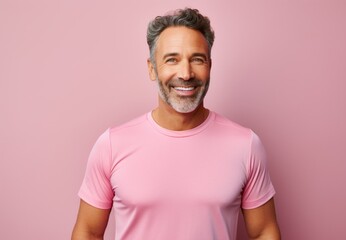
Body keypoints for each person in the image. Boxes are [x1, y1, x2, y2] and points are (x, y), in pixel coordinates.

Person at [72, 8, 281, 240]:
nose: (186, 73)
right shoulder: (111, 145)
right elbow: (88, 232)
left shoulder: (246, 145)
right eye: (172, 59)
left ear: (209, 66)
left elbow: (264, 232)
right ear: (152, 68)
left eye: (197, 59)